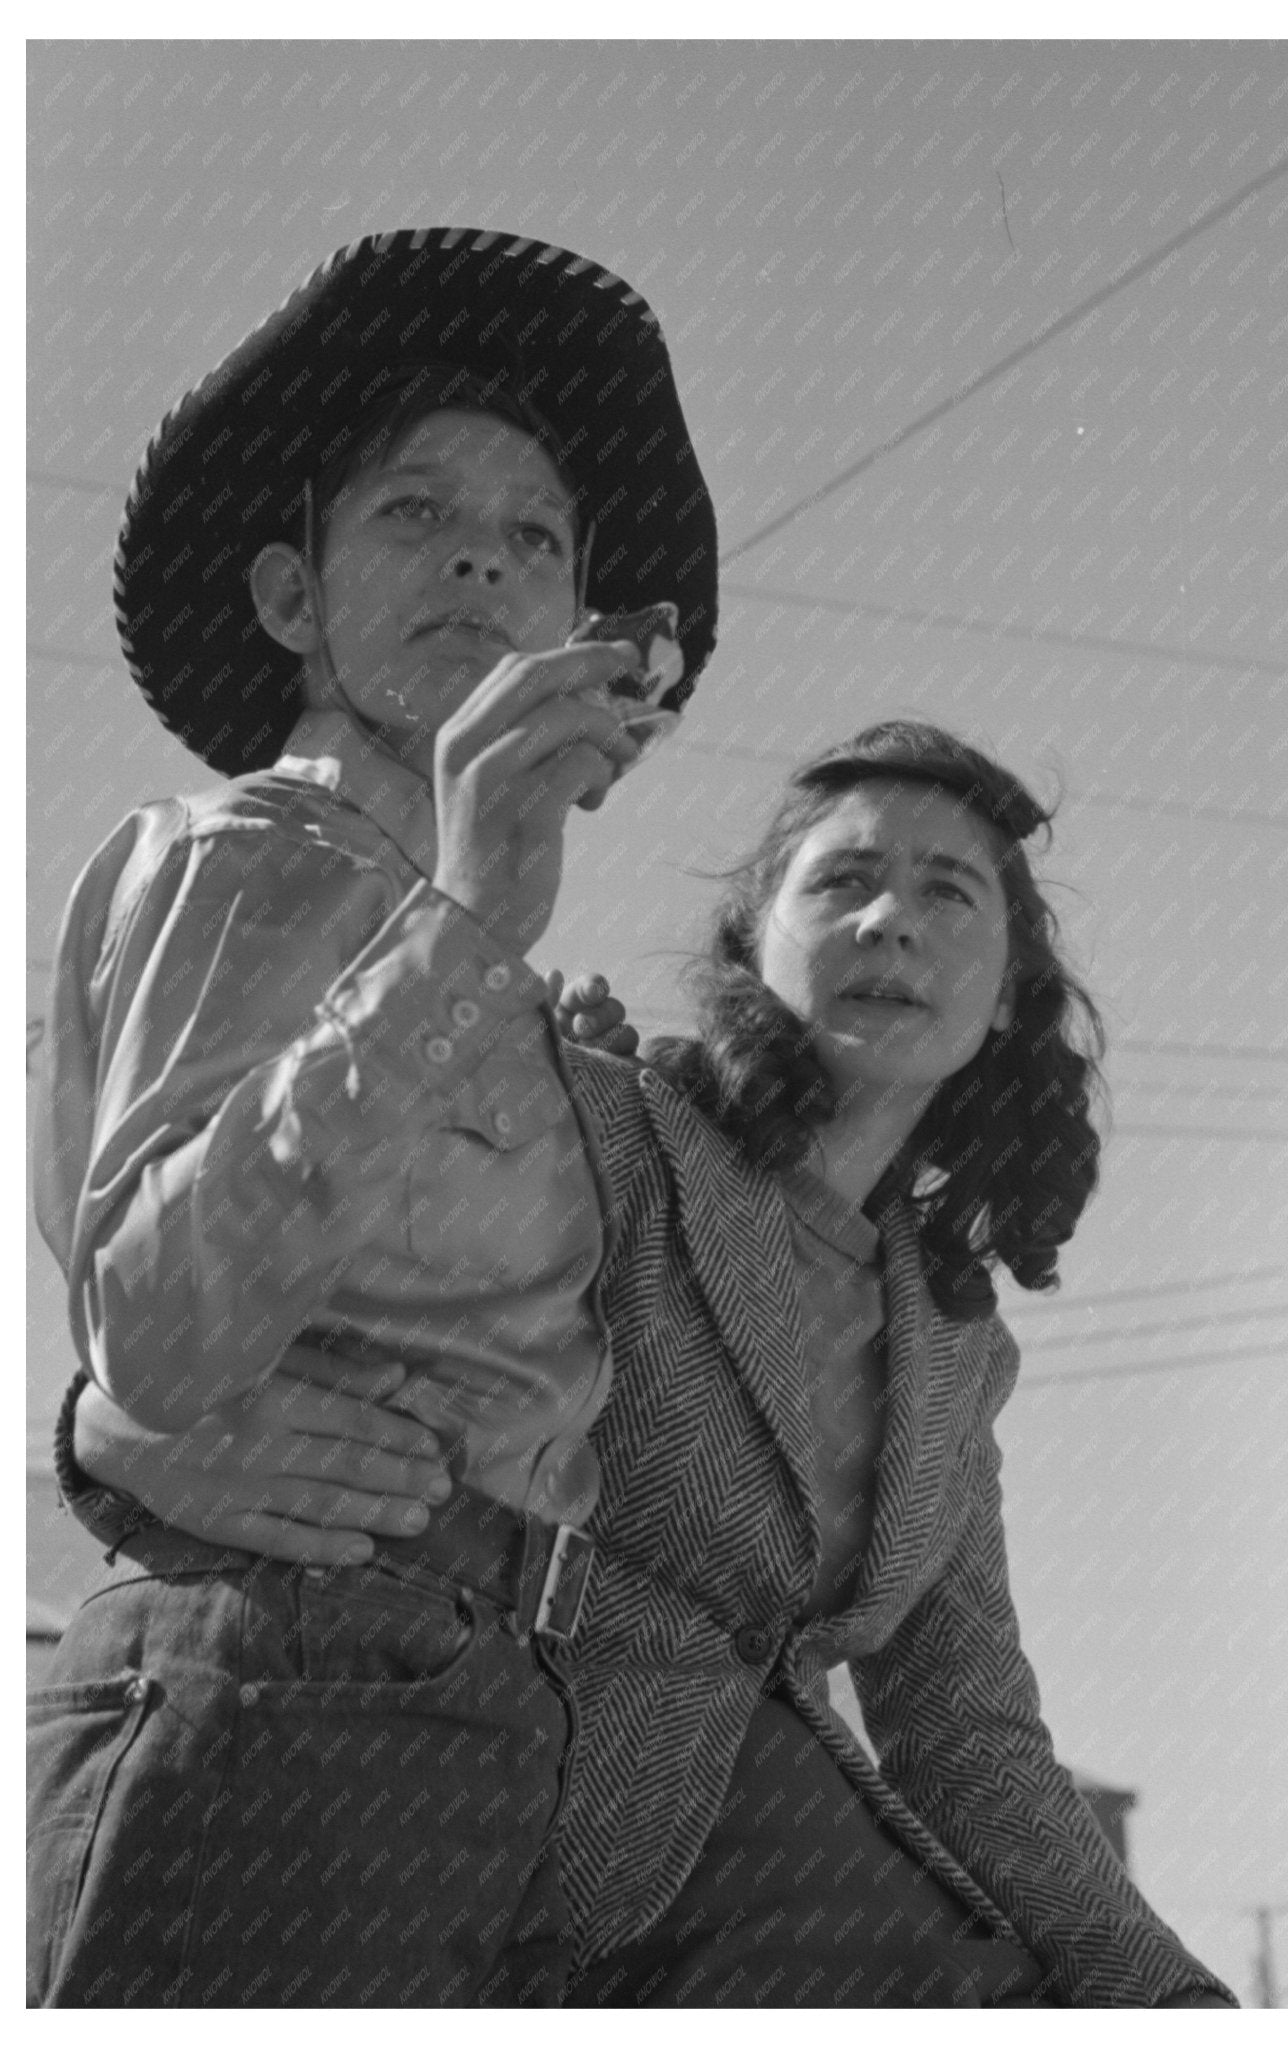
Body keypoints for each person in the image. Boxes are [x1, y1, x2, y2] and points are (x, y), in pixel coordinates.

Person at [56, 719, 1237, 2006]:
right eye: (841, 880)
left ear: (1008, 986)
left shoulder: (956, 1352)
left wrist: (1179, 2003)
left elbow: (967, 1738)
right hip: (388, 1802)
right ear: (753, 941)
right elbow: (294, 1269)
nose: (891, 921)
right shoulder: (605, 1131)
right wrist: (103, 1428)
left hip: (705, 1908)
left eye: (948, 892)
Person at [28, 225, 718, 2008]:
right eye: (414, 510)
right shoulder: (245, 848)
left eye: (536, 532)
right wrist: (474, 913)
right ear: (288, 598)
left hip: (483, 1712)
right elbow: (158, 1320)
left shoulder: (519, 990)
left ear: (581, 637)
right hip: (282, 1697)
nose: (484, 548)